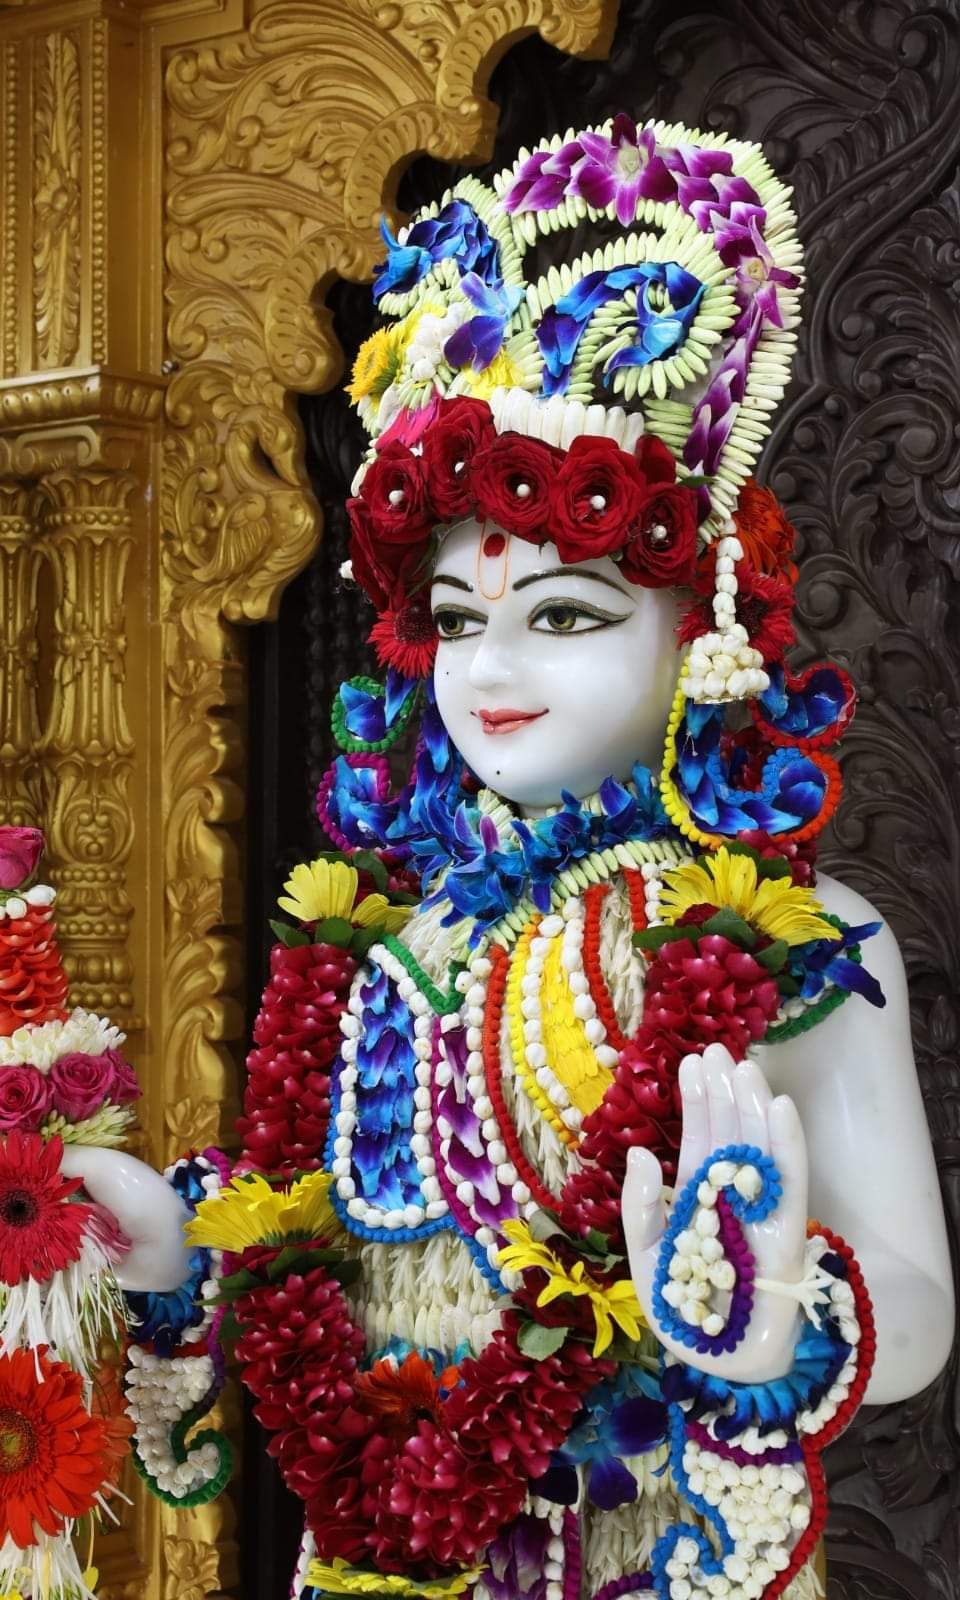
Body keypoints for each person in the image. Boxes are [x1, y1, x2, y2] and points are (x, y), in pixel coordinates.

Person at [70, 115, 953, 1600]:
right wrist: (185, 1253)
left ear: (701, 633)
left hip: (658, 1555)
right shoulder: (397, 946)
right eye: (460, 621)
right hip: (384, 1558)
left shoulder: (794, 939)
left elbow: (917, 1313)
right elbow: (336, 1259)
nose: (492, 671)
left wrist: (762, 1315)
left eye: (563, 616)